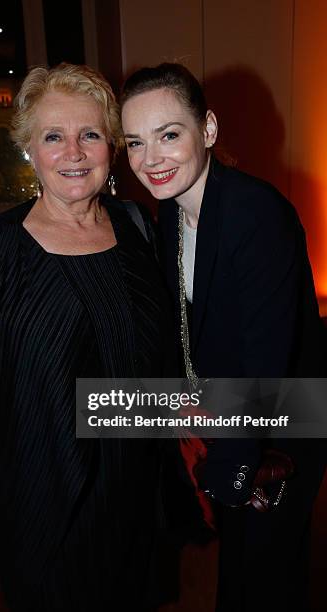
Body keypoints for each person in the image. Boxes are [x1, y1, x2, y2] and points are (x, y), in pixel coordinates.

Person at [0, 63, 179, 612]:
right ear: (29, 151)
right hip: (42, 484)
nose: (74, 152)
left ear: (110, 146)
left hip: (134, 480)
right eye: (53, 137)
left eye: (89, 135)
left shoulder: (136, 226)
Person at [121, 63, 326, 612]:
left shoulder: (255, 213)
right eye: (135, 142)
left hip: (282, 423)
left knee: (264, 580)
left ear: (207, 129)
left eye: (169, 135)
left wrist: (232, 463)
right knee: (245, 574)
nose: (150, 159)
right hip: (230, 418)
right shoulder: (171, 215)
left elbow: (265, 358)